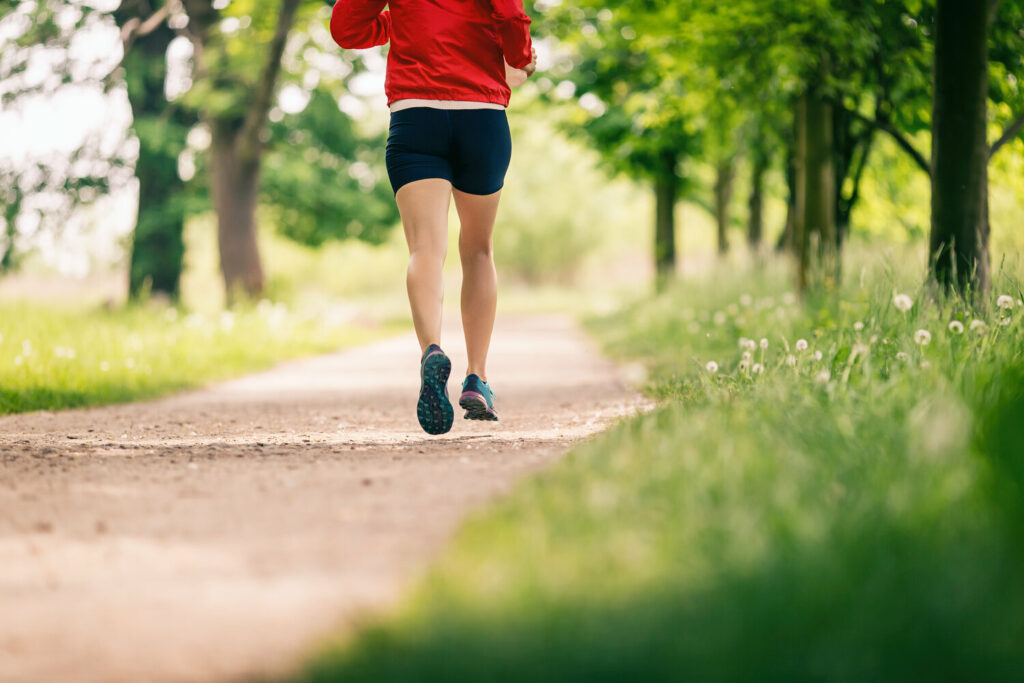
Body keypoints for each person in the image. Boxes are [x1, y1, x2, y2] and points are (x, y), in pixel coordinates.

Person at [329, 0, 537, 435]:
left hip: (415, 116)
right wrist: (520, 60)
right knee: (478, 249)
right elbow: (512, 17)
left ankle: (431, 352)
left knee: (425, 249)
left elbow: (348, 29)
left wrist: (401, 22)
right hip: (481, 116)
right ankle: (477, 377)